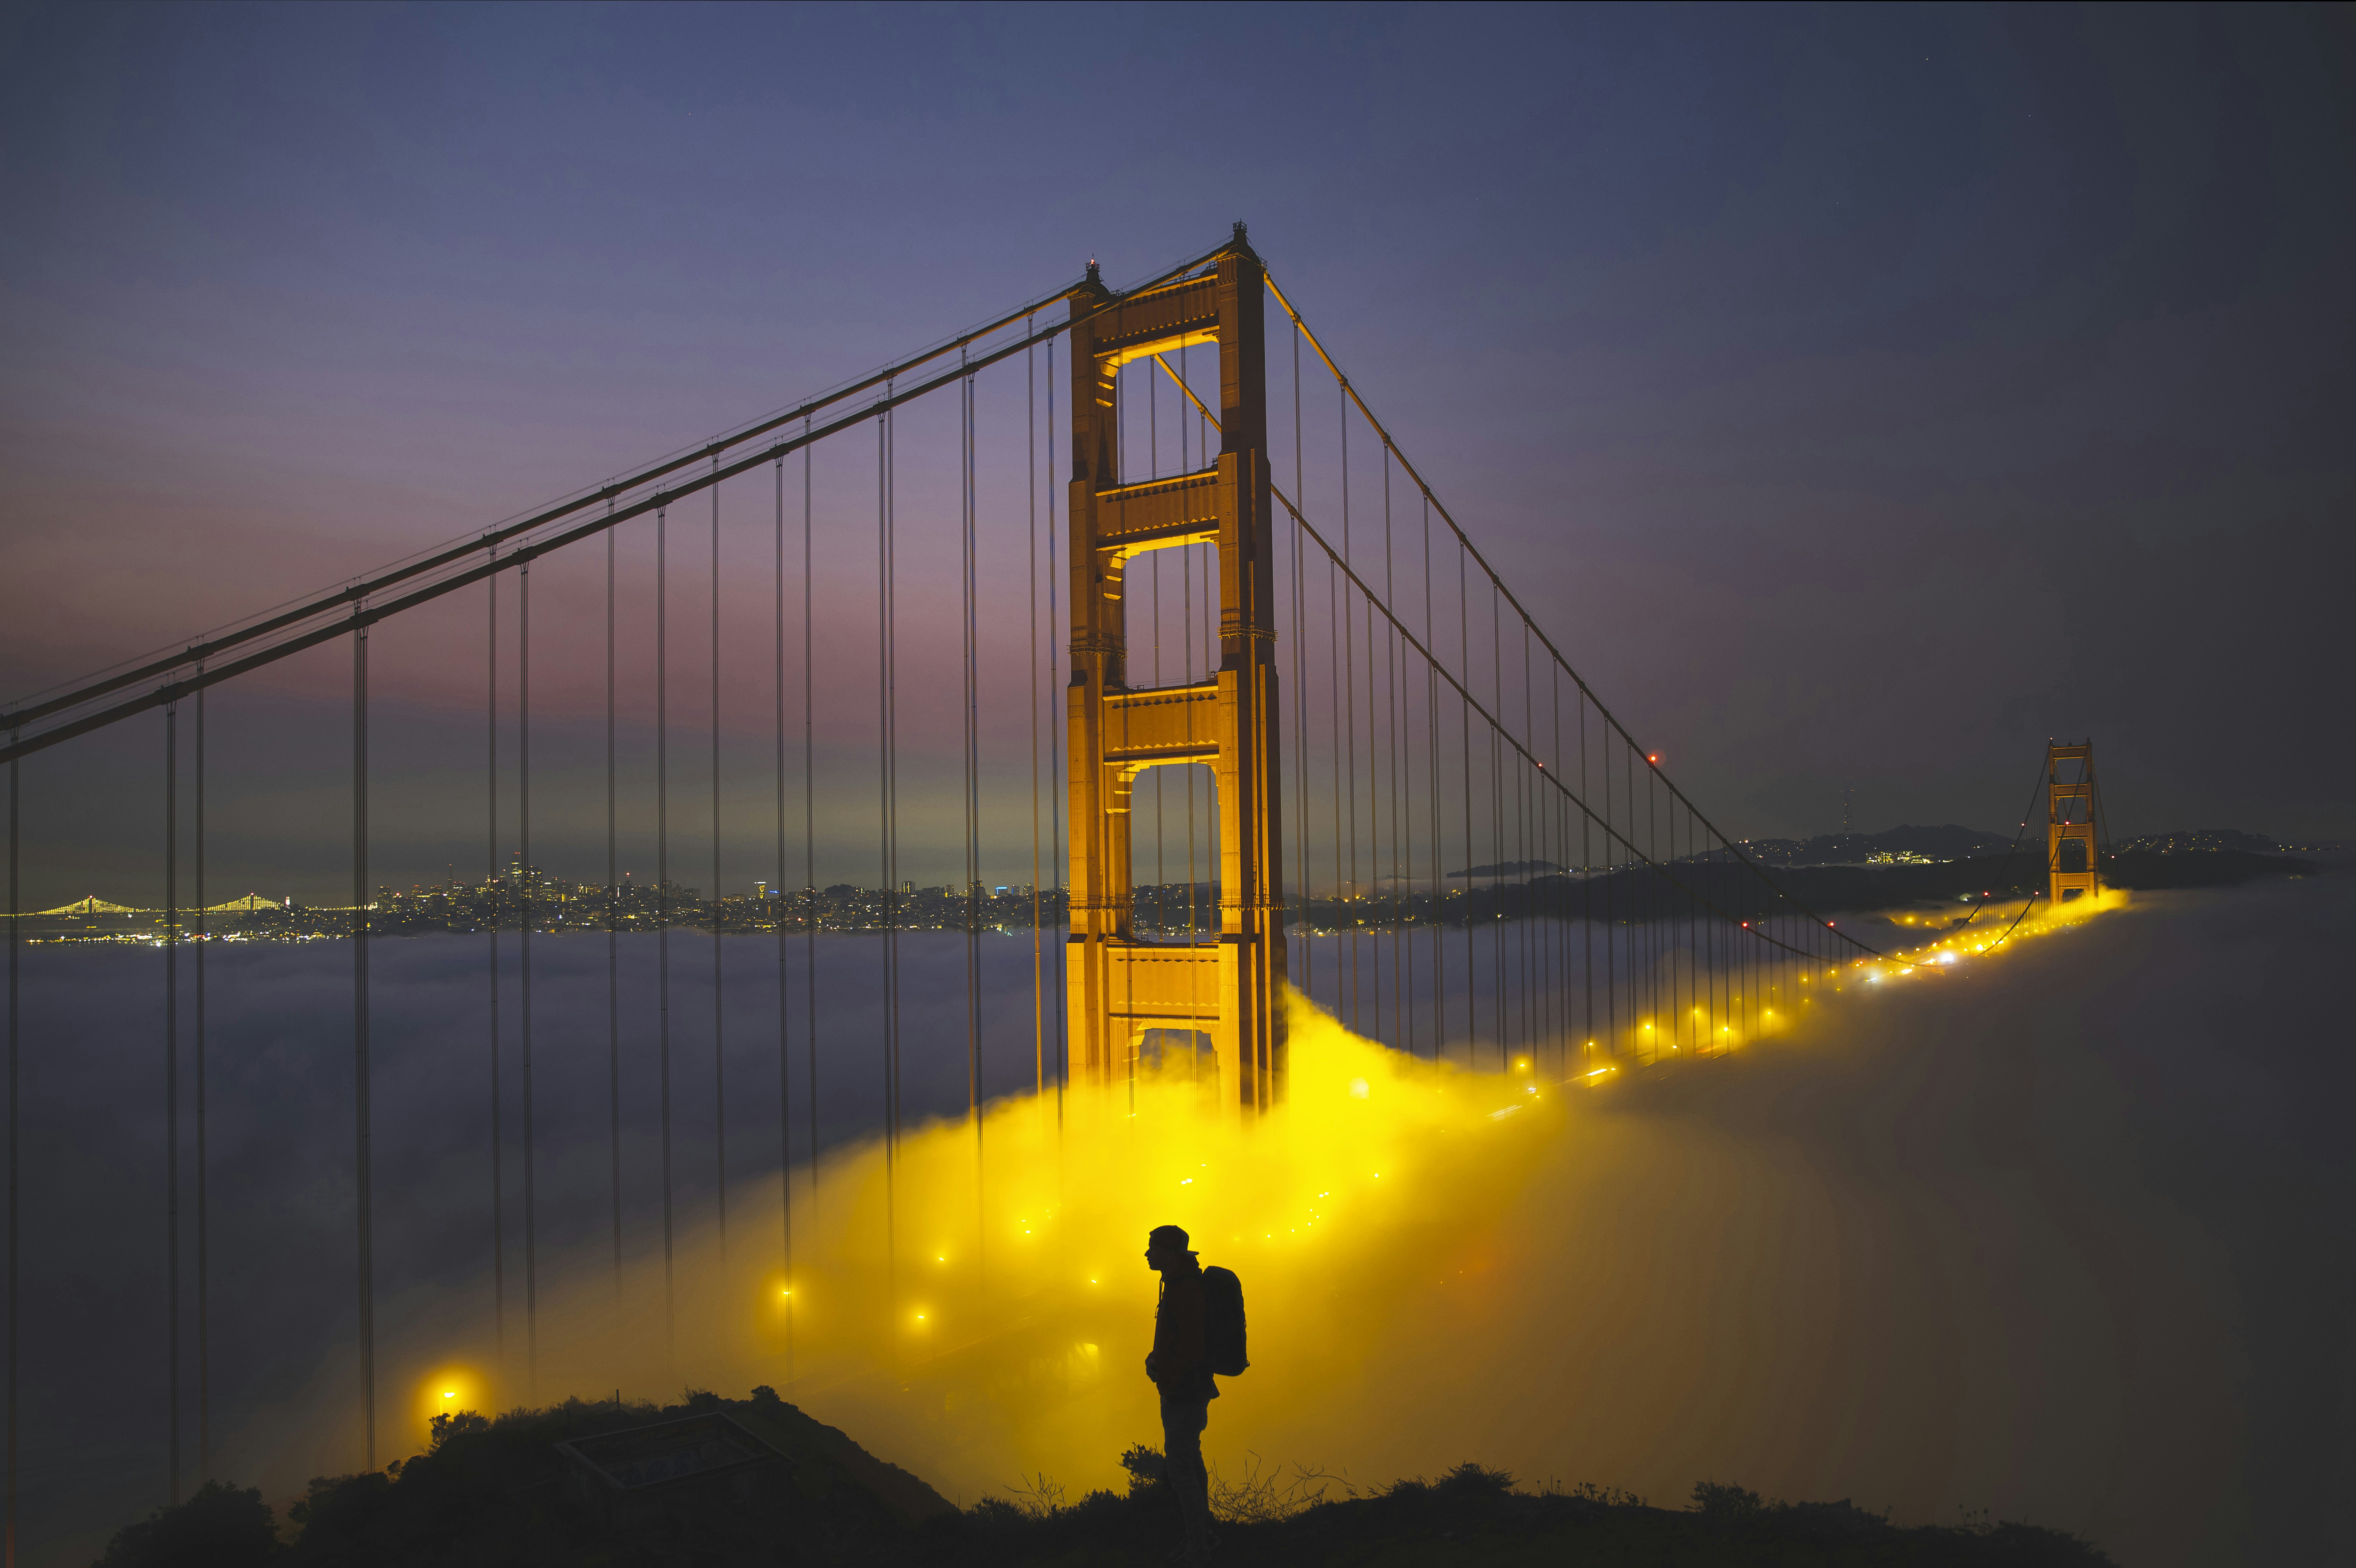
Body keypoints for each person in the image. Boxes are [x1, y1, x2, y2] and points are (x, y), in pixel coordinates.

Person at [1145, 1223, 1217, 1561]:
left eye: (1153, 1248)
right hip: (1183, 1388)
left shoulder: (1184, 1289)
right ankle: (1204, 1533)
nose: (1147, 1254)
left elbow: (1192, 1345)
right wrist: (1154, 1359)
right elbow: (1175, 1339)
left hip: (1185, 1392)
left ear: (1170, 1254)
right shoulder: (1176, 1283)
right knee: (1191, 1459)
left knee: (1180, 1469)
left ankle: (1197, 1545)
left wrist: (1173, 1384)